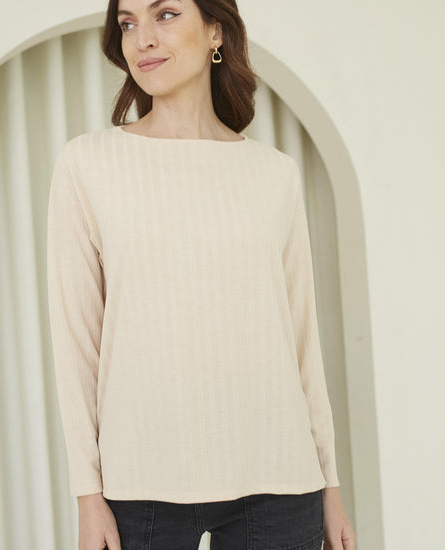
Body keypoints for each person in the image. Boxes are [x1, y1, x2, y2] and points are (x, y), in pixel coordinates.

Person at [46, 0, 356, 548]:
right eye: (127, 22)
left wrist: (328, 483)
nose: (142, 38)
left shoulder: (274, 173)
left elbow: (301, 343)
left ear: (216, 30)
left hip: (281, 478)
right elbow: (77, 345)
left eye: (165, 14)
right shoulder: (87, 163)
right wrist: (87, 493)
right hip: (140, 484)